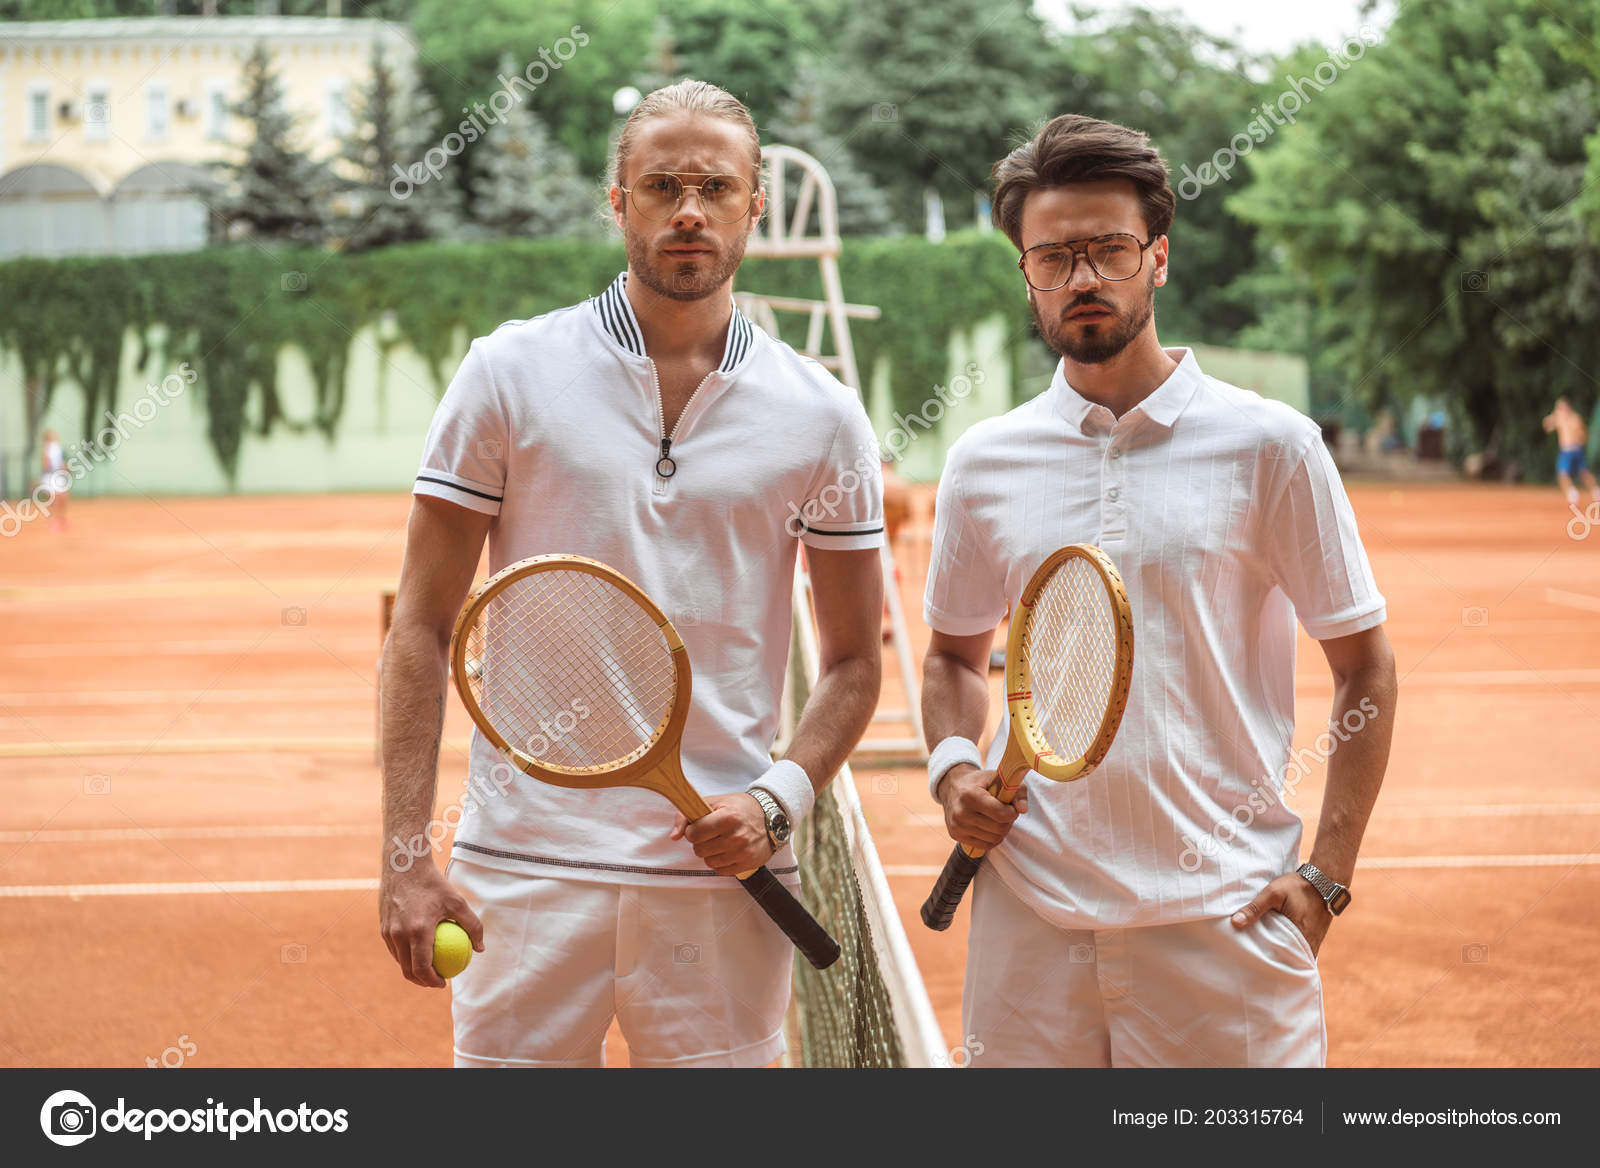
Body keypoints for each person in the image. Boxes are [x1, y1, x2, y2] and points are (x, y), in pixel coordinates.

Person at [378, 80, 885, 1068]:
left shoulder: (824, 416)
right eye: (660, 185)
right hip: (519, 870)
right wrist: (405, 855)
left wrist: (776, 799)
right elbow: (419, 628)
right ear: (618, 201)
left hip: (722, 875)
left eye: (714, 186)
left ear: (755, 207)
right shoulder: (506, 373)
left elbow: (857, 660)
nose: (688, 208)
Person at [920, 114, 1398, 1068]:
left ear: (1160, 259)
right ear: (1027, 274)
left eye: (1109, 249)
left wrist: (1326, 880)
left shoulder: (1272, 446)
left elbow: (1366, 670)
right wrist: (953, 767)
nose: (1083, 277)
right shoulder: (984, 462)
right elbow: (949, 656)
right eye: (1052, 257)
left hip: (1224, 923)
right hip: (1031, 931)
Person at [1541, 397, 1599, 511]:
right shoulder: (1560, 419)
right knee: (1565, 474)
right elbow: (1546, 426)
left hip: (1574, 450)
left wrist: (1580, 439)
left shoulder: (1574, 418)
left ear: (1567, 407)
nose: (1560, 410)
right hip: (1566, 451)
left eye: (1561, 407)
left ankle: (1593, 493)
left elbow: (1582, 433)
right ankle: (1573, 494)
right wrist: (1554, 417)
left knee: (1581, 473)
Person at [40, 428, 69, 531]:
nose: (55, 437)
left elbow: (61, 462)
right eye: (52, 436)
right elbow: (45, 464)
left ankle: (62, 519)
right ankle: (52, 520)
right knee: (53, 499)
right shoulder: (47, 449)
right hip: (49, 476)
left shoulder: (58, 448)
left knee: (64, 497)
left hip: (58, 476)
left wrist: (65, 468)